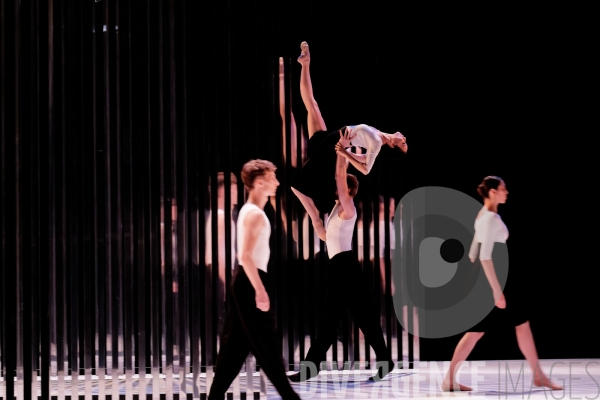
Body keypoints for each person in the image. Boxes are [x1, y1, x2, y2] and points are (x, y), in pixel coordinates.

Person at [441, 176, 562, 392]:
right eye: (503, 189)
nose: (507, 192)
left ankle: (539, 376)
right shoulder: (489, 218)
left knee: (515, 325)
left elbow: (473, 253)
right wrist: (496, 291)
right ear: (493, 192)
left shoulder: (483, 215)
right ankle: (538, 376)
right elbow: (484, 256)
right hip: (494, 281)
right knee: (483, 330)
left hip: (490, 278)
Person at [288, 148, 394, 383]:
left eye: (338, 185)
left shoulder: (349, 209)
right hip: (339, 267)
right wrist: (305, 202)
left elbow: (339, 176)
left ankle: (311, 367)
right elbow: (323, 231)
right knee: (347, 319)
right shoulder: (336, 211)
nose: (333, 186)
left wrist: (341, 151)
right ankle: (384, 360)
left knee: (346, 319)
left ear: (344, 189)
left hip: (346, 267)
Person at [290, 41, 408, 242]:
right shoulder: (379, 136)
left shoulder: (377, 143)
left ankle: (317, 222)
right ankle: (305, 63)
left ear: (393, 145)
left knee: (298, 185)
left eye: (403, 143)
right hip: (332, 140)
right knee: (312, 105)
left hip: (332, 145)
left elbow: (366, 169)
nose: (404, 138)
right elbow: (362, 158)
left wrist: (344, 152)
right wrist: (348, 153)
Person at [207, 160, 301, 400]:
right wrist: (260, 290)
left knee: (233, 349)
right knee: (268, 346)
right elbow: (245, 255)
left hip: (247, 281)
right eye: (272, 178)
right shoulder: (254, 214)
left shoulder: (252, 211)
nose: (277, 182)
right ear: (259, 183)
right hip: (250, 281)